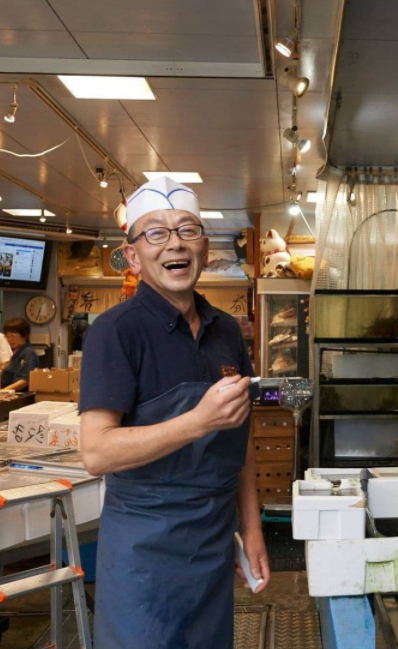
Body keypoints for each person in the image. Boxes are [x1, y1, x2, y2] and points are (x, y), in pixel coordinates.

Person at [79, 176, 269, 648]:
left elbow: (240, 441)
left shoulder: (226, 330)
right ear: (133, 254)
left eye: (187, 229)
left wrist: (252, 529)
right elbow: (97, 452)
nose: (175, 244)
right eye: (156, 233)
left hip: (212, 542)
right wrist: (198, 421)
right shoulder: (115, 332)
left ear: (204, 247)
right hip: (144, 550)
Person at [0, 317, 38, 391]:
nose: (10, 339)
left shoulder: (28, 352)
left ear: (24, 335)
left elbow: (26, 379)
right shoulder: (16, 351)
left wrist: (5, 390)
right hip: (10, 395)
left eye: (13, 336)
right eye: (7, 336)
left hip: (22, 397)